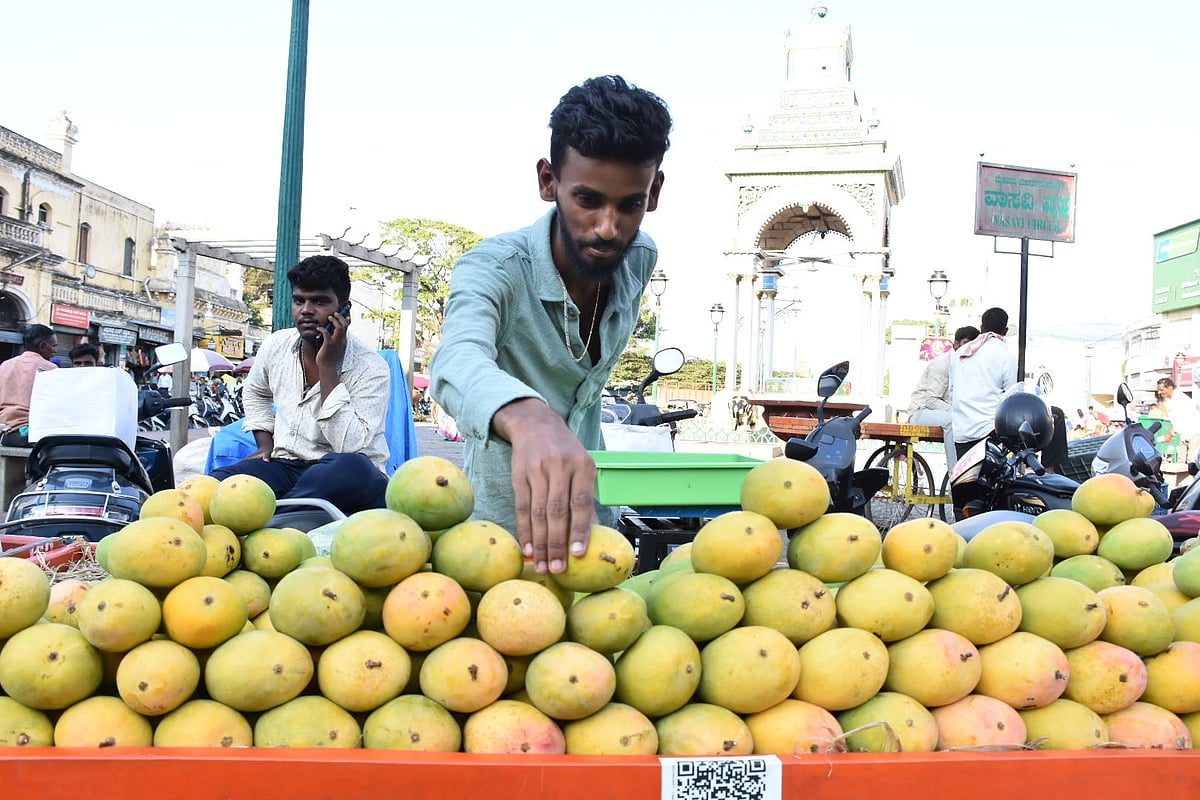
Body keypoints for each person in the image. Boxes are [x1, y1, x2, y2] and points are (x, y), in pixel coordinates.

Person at [430, 75, 672, 574]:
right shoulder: (493, 267)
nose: (608, 228)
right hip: (494, 535)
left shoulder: (640, 257)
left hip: (593, 522)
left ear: (654, 193)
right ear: (548, 182)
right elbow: (456, 360)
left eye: (629, 204)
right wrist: (527, 416)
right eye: (588, 200)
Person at [210, 255, 391, 514]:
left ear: (344, 310)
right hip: (286, 466)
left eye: (320, 301)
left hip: (345, 474)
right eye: (299, 300)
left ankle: (277, 519)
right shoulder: (276, 345)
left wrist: (327, 366)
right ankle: (289, 514)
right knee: (223, 480)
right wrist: (265, 444)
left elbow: (350, 446)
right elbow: (255, 391)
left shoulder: (371, 367)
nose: (306, 310)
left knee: (352, 468)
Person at [949, 307, 1018, 459]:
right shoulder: (1006, 356)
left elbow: (951, 392)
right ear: (1005, 331)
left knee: (966, 481)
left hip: (961, 431)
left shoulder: (960, 352)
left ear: (981, 327)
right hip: (989, 433)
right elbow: (1011, 398)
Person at [907, 325, 978, 471]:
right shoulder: (942, 364)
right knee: (952, 420)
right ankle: (955, 472)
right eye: (967, 343)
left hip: (944, 411)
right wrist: (958, 411)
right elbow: (931, 400)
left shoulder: (967, 365)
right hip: (920, 411)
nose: (970, 348)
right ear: (956, 344)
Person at [0, 324, 59, 446]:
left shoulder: (5, 365)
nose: (55, 350)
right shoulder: (51, 369)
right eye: (53, 346)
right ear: (42, 346)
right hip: (34, 436)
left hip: (5, 433)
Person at [1155, 377, 1200, 464]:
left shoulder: (1179, 399)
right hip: (1184, 435)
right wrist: (1171, 432)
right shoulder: (1170, 400)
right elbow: (1174, 420)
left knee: (1192, 463)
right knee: (1180, 462)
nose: (1159, 392)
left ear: (1170, 388)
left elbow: (1180, 419)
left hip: (1194, 434)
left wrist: (1170, 434)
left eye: (1161, 389)